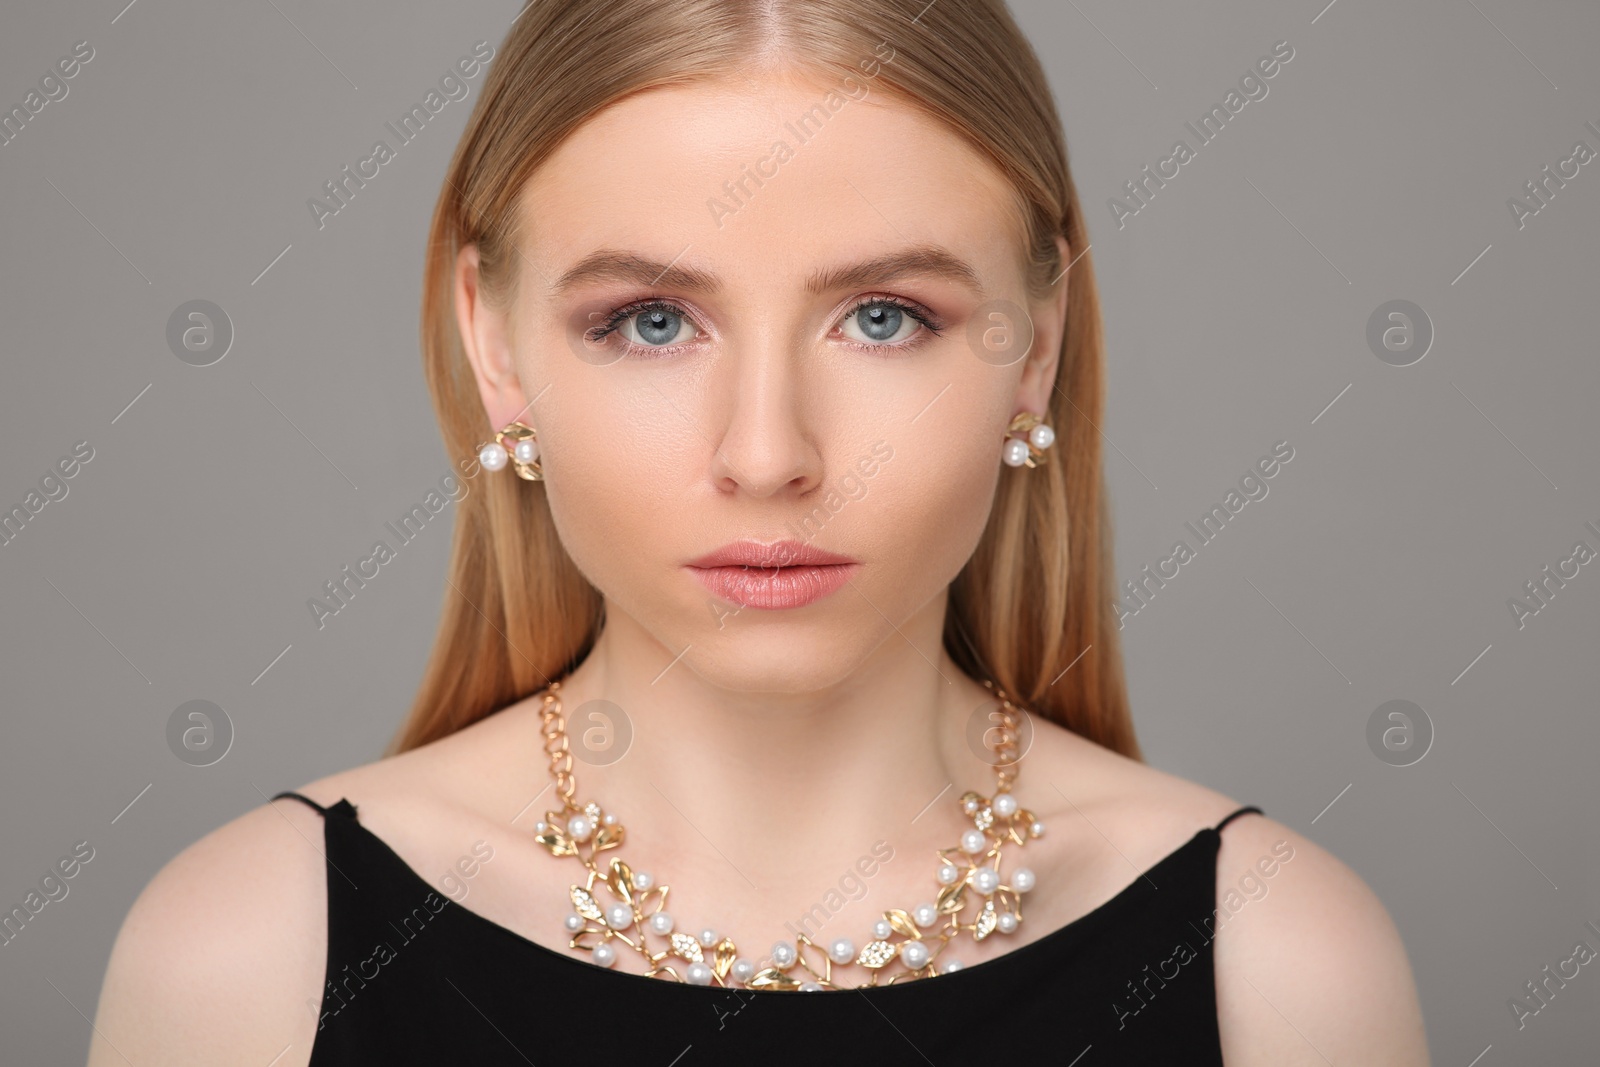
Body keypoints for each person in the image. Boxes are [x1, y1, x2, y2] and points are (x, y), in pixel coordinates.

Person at [88, 1, 1429, 1062]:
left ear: (1039, 344)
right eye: (651, 322)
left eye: (887, 316)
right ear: (493, 345)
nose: (770, 455)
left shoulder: (1277, 962)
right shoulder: (251, 955)